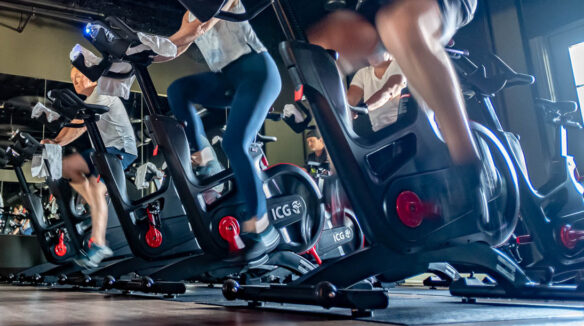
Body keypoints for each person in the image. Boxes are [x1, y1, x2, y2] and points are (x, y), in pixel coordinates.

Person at [309, 0, 482, 194]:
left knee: (397, 23)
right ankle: (342, 178)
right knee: (319, 46)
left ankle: (467, 162)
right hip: (376, 7)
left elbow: (391, 88)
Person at [159, 0, 282, 252]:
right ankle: (203, 153)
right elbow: (180, 45)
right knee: (178, 90)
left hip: (256, 71)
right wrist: (143, 56)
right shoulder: (190, 12)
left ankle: (261, 222)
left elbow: (195, 30)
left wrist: (164, 42)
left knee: (234, 144)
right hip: (227, 78)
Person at [41, 67, 138, 268]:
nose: (76, 81)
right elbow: (77, 123)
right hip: (100, 152)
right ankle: (94, 207)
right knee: (66, 166)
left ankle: (100, 244)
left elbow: (79, 125)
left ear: (91, 76)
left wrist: (56, 142)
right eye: (73, 79)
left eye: (79, 76)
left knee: (96, 188)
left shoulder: (101, 92)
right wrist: (54, 141)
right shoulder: (88, 101)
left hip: (120, 150)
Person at [346, 53, 407, 132]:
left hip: (401, 129)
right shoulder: (362, 74)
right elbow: (349, 102)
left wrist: (365, 107)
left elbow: (388, 92)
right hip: (380, 133)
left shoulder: (399, 66)